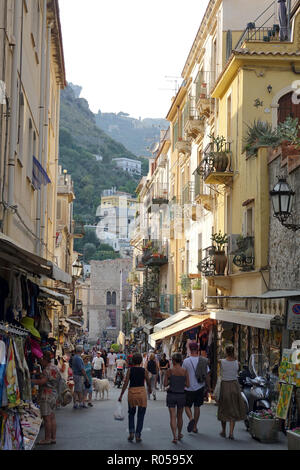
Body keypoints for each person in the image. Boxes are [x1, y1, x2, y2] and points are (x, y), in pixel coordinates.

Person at [118, 352, 151, 443]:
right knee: (141, 415)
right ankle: (138, 435)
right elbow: (148, 381)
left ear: (132, 361)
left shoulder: (130, 370)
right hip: (141, 393)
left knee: (131, 413)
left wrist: (121, 394)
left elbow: (126, 383)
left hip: (132, 393)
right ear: (141, 361)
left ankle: (131, 432)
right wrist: (150, 389)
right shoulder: (144, 371)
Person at [31, 351, 61, 445]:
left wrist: (31, 381)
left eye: (41, 360)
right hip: (54, 394)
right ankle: (53, 438)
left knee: (47, 418)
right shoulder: (54, 367)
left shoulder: (46, 369)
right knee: (52, 417)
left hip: (46, 395)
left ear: (44, 359)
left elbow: (42, 381)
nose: (40, 362)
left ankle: (47, 438)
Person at [217, 344, 246, 440]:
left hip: (225, 385)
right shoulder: (237, 363)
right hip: (234, 386)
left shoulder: (221, 362)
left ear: (226, 352)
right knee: (233, 408)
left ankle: (223, 431)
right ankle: (231, 433)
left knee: (224, 408)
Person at [182, 342, 210, 434]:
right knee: (197, 407)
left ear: (190, 349)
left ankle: (191, 418)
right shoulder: (203, 360)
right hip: (200, 387)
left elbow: (183, 374)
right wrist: (209, 386)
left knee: (186, 406)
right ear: (197, 349)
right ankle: (195, 427)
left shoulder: (186, 361)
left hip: (188, 387)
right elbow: (207, 375)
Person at [164, 353, 190, 444]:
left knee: (172, 416)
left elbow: (165, 384)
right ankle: (179, 434)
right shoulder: (185, 371)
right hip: (181, 395)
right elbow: (188, 385)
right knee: (180, 416)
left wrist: (171, 381)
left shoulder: (169, 371)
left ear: (174, 361)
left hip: (171, 395)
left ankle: (174, 436)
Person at [72, 345, 90, 409]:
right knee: (79, 390)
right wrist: (86, 377)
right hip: (79, 376)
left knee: (76, 390)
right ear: (81, 350)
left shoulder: (75, 357)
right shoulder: (78, 358)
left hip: (75, 375)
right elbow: (82, 369)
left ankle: (77, 403)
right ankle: (80, 403)